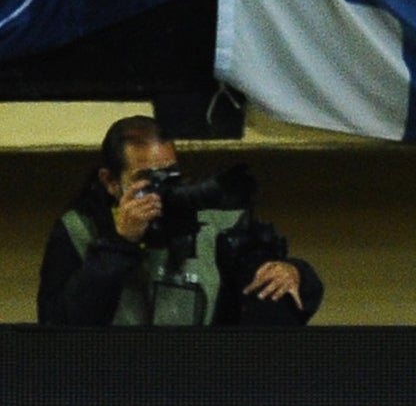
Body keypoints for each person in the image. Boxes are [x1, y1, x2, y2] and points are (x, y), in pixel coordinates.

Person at [37, 116, 323, 327]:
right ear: (110, 182)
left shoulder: (215, 224)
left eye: (170, 175)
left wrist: (293, 272)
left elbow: (276, 287)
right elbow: (57, 328)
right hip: (110, 384)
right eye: (146, 179)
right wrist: (118, 244)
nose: (162, 190)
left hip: (196, 383)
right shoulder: (78, 230)